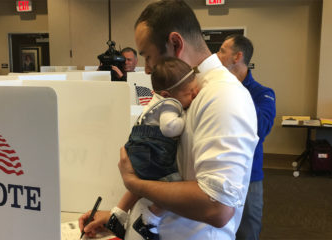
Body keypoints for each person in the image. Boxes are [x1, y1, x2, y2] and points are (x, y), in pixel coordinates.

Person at [79, 1, 259, 239]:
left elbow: (217, 207)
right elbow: (165, 172)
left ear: (175, 43)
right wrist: (119, 215)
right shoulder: (181, 90)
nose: (146, 69)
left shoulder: (224, 96)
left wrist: (134, 183)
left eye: (148, 57)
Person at [119, 57, 200, 240]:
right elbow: (169, 128)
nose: (194, 95)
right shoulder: (170, 104)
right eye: (189, 93)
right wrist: (186, 120)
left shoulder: (155, 100)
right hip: (152, 151)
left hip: (140, 148)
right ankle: (149, 221)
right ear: (166, 93)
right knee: (173, 187)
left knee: (141, 182)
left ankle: (118, 213)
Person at [217, 34, 276, 239]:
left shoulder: (263, 93)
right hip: (218, 173)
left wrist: (235, 92)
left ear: (237, 57)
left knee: (247, 232)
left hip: (248, 177)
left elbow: (262, 127)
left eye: (222, 50)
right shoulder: (215, 90)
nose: (217, 55)